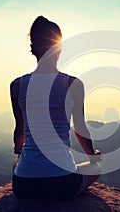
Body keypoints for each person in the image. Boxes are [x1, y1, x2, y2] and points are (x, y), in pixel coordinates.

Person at [10, 16, 102, 200]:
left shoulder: (17, 85)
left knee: (17, 162)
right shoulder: (72, 84)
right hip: (62, 183)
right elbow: (80, 129)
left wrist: (23, 156)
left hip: (24, 186)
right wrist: (93, 156)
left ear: (32, 49)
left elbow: (19, 133)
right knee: (96, 167)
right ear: (58, 49)